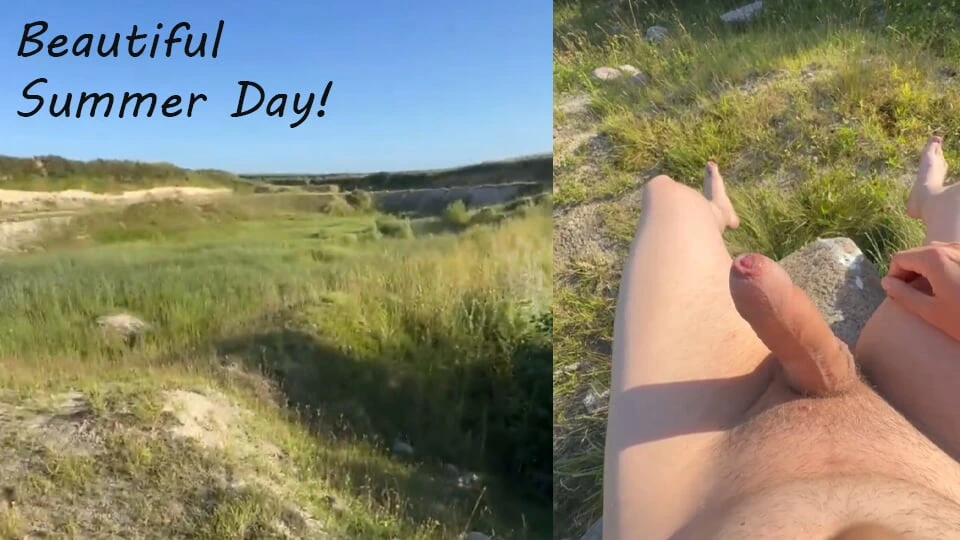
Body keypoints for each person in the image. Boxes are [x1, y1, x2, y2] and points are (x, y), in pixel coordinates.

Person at [603, 135, 960, 539]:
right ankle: (930, 197)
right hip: (941, 435)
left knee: (669, 199)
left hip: (695, 478)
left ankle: (713, 210)